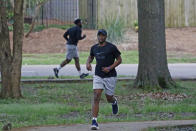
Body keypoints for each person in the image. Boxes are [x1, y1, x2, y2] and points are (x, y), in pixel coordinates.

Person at [86, 29, 122, 130]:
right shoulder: (94, 48)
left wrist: (110, 68)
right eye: (99, 35)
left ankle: (114, 102)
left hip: (110, 76)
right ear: (97, 36)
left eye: (103, 36)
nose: (101, 37)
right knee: (96, 96)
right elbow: (91, 57)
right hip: (98, 75)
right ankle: (94, 121)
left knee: (109, 98)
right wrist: (88, 63)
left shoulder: (111, 47)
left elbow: (119, 60)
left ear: (106, 37)